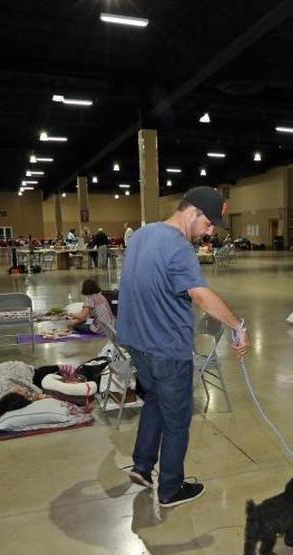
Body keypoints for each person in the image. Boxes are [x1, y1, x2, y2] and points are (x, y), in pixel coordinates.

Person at [119, 186, 249, 508]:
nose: (208, 233)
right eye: (208, 225)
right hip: (167, 348)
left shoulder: (141, 236)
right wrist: (239, 327)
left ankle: (142, 466)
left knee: (154, 401)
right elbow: (200, 295)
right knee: (177, 419)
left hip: (138, 343)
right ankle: (170, 489)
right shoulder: (178, 247)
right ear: (191, 212)